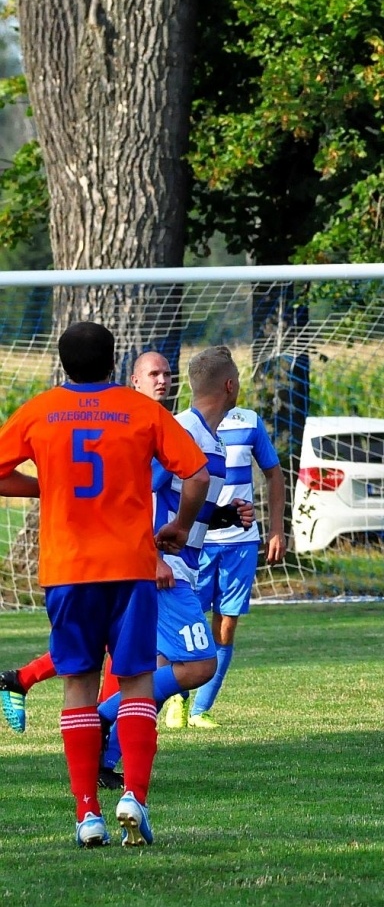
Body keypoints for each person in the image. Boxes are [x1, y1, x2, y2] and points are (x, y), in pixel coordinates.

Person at [0, 322, 211, 847]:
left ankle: (87, 815)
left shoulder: (40, 410)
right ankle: (134, 798)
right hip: (131, 567)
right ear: (115, 362)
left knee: (78, 686)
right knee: (137, 681)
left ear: (63, 364)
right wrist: (180, 528)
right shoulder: (141, 411)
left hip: (68, 571)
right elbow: (197, 475)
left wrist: (44, 487)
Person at [0, 352, 249, 751]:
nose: (162, 380)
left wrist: (223, 516)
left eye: (167, 373)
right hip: (152, 563)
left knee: (125, 653)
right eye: (153, 373)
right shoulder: (174, 427)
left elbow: (181, 497)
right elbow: (139, 494)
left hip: (163, 561)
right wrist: (157, 557)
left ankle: (87, 734)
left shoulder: (198, 432)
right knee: (189, 665)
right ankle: (101, 720)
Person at [185, 347, 286, 728]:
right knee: (188, 622)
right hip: (196, 541)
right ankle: (175, 698)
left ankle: (200, 709)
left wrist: (276, 529)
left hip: (240, 541)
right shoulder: (185, 426)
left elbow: (274, 474)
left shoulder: (249, 421)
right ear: (229, 384)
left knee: (225, 625)